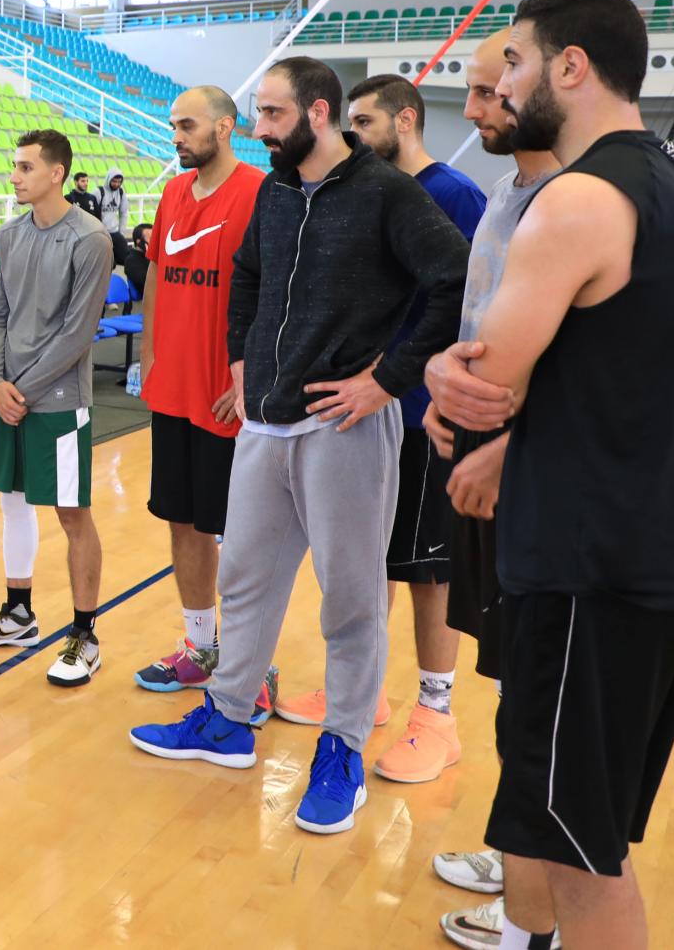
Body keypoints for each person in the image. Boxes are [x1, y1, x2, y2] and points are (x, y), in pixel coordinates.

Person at [427, 0, 674, 950]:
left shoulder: (573, 200)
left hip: (592, 574)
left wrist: (442, 367)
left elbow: (482, 382)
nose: (502, 84)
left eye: (512, 63)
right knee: (567, 823)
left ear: (569, 67)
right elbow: (617, 375)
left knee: (580, 855)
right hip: (667, 559)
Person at [129, 56, 469, 839]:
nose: (257, 128)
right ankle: (227, 716)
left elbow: (455, 280)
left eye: (272, 114)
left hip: (345, 424)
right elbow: (247, 273)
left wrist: (386, 378)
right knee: (245, 578)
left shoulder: (387, 193)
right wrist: (245, 357)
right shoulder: (279, 192)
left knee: (350, 600)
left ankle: (343, 749)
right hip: (266, 421)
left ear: (318, 113)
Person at [416, 31, 563, 950]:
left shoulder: (571, 203)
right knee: (507, 675)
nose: (475, 111)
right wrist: (444, 392)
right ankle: (519, 865)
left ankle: (526, 912)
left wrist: (501, 439)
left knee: (533, 686)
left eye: (488, 90)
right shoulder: (510, 192)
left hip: (525, 471)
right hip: (475, 444)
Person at [329, 74, 485, 785]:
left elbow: (473, 306)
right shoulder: (370, 193)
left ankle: (438, 714)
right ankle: (368, 693)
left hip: (425, 410)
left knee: (429, 570)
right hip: (371, 407)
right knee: (367, 558)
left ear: (406, 119)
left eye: (364, 121)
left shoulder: (454, 195)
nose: (353, 133)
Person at [0, 130, 113, 685]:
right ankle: (18, 614)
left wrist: (24, 389)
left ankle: (85, 634)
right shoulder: (10, 233)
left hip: (60, 401)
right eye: (13, 166)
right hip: (8, 396)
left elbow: (78, 333)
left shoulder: (90, 238)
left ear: (56, 173)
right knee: (12, 503)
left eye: (24, 167)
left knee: (72, 514)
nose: (14, 176)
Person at [131, 87, 266, 704]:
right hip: (175, 389)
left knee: (242, 535)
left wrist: (250, 379)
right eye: (173, 126)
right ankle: (200, 646)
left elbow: (275, 292)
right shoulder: (172, 193)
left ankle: (251, 663)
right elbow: (159, 270)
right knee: (182, 521)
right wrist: (150, 354)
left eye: (186, 126)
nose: (176, 136)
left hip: (227, 396)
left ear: (225, 126)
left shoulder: (260, 192)